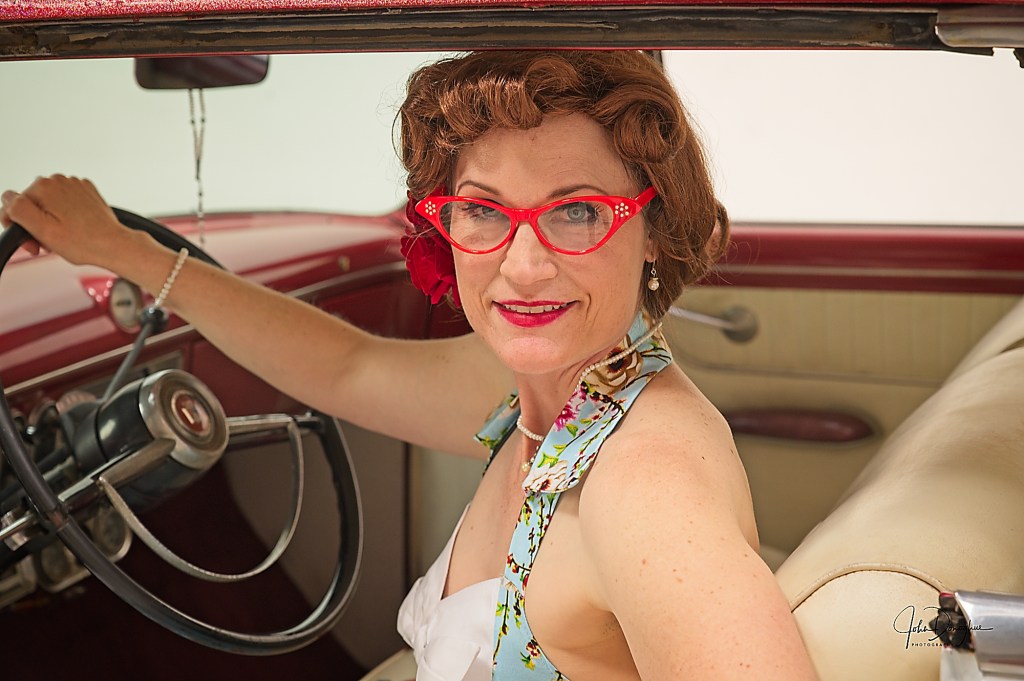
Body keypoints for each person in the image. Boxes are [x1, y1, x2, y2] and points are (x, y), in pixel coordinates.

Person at [1, 51, 818, 680]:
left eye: (577, 211)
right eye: (482, 210)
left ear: (654, 231)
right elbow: (348, 367)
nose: (523, 265)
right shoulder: (554, 392)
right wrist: (126, 251)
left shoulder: (644, 486)